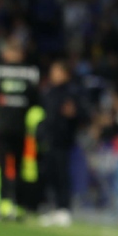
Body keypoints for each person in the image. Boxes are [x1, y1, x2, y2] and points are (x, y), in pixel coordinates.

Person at [0, 40, 40, 222]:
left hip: (8, 126)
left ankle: (10, 203)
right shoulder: (30, 73)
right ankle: (7, 203)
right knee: (9, 166)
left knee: (13, 167)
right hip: (9, 126)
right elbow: (35, 99)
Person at [38, 61, 84, 227]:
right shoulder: (49, 91)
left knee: (63, 175)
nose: (53, 74)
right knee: (51, 174)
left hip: (63, 140)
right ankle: (55, 208)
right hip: (49, 139)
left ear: (65, 73)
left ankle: (64, 209)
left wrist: (74, 113)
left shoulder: (72, 91)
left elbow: (83, 113)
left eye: (57, 71)